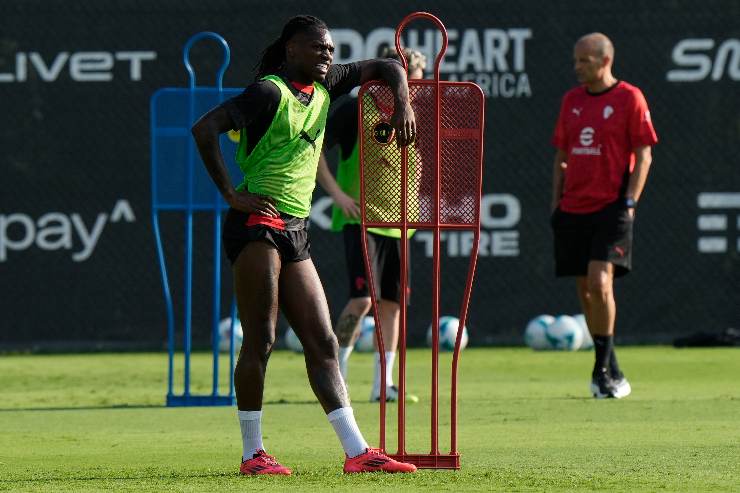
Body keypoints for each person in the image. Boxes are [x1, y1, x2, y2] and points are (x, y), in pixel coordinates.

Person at [191, 15, 417, 475]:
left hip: (295, 228)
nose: (327, 55)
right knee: (261, 339)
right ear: (291, 49)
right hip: (256, 223)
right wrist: (231, 194)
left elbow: (388, 67)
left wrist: (403, 103)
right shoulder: (268, 92)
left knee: (324, 341)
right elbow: (204, 128)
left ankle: (358, 453)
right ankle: (253, 454)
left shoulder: (326, 84)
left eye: (330, 48)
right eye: (317, 47)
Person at [550, 33, 658, 399]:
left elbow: (644, 154)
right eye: (575, 61)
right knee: (584, 287)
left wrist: (630, 202)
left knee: (600, 283)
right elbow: (561, 157)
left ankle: (600, 369)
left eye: (585, 61)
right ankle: (611, 364)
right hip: (573, 208)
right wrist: (556, 203)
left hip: (611, 207)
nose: (577, 67)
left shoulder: (630, 97)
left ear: (605, 60)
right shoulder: (572, 100)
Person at [317, 47, 426, 402]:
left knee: (392, 304)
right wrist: (337, 195)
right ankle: (336, 374)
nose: (411, 90)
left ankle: (384, 384)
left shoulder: (417, 114)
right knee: (362, 300)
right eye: (406, 82)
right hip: (362, 219)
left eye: (416, 83)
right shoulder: (354, 109)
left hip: (400, 224)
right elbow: (315, 152)